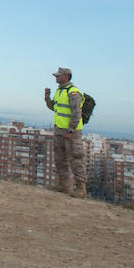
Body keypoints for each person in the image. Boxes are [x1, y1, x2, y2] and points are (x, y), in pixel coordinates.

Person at [44, 67, 86, 198]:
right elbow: (54, 107)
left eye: (59, 75)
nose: (56, 78)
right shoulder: (59, 92)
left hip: (70, 132)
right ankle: (63, 185)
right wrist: (47, 97)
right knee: (60, 159)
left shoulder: (73, 92)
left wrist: (71, 130)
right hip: (59, 130)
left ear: (66, 76)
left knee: (75, 159)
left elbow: (76, 113)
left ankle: (81, 189)